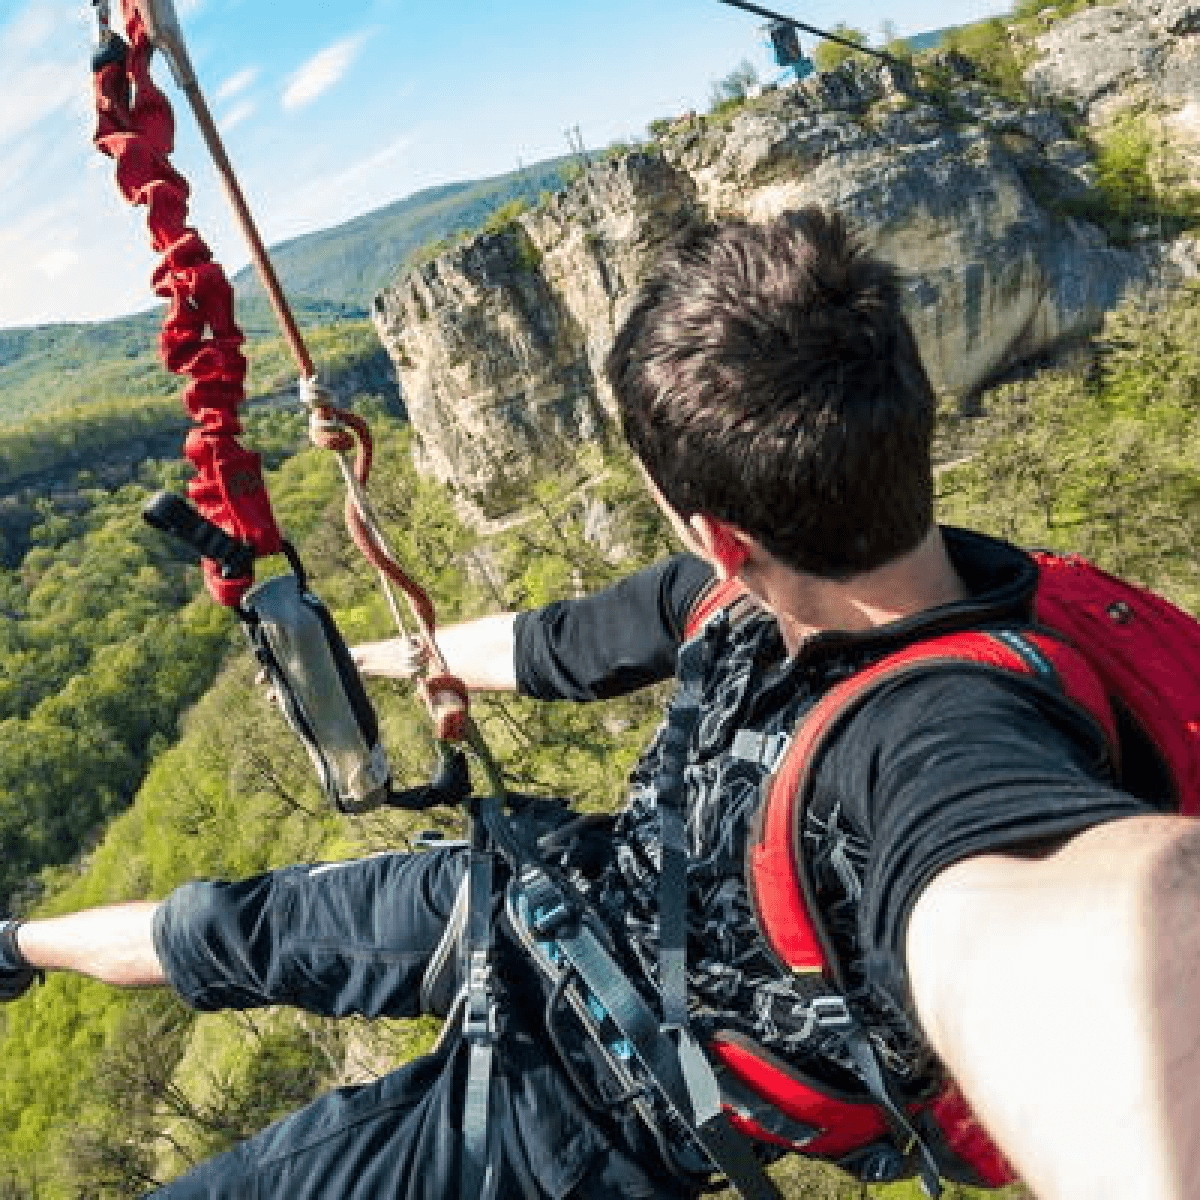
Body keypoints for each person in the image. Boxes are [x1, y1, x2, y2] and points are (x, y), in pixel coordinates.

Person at [2, 208, 1198, 1200]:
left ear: (713, 530)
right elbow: (551, 644)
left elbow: (1064, 921)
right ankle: (10, 944)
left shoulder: (937, 735)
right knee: (222, 923)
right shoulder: (739, 592)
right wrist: (358, 657)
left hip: (594, 1104)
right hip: (559, 895)